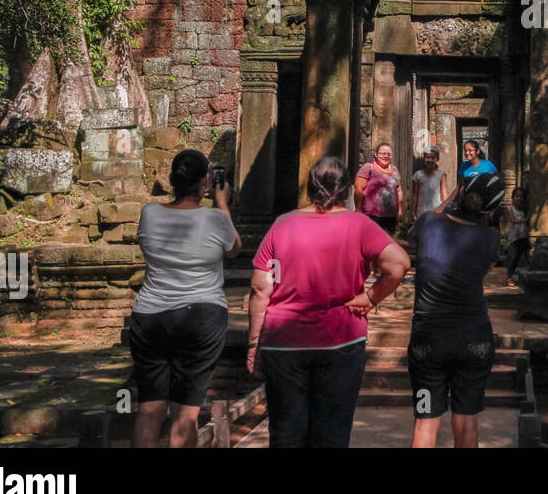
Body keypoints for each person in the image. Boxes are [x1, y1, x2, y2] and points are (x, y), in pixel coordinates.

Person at [248, 156, 410, 448]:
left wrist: (253, 345)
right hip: (341, 339)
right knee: (332, 432)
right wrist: (371, 297)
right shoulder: (360, 225)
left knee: (285, 432)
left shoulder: (283, 225)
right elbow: (398, 264)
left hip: (284, 340)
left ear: (309, 188)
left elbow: (262, 289)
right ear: (348, 190)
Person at [129, 149, 241, 448]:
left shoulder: (149, 212)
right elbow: (233, 249)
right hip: (201, 317)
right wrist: (221, 204)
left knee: (149, 409)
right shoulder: (217, 219)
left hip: (150, 315)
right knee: (185, 414)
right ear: (207, 181)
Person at [406, 170, 505, 447]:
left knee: (425, 421)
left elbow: (425, 225)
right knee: (467, 419)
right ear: (490, 210)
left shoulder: (428, 224)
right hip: (473, 338)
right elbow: (485, 269)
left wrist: (452, 196)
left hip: (428, 338)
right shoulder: (491, 239)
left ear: (460, 193)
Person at [354, 142, 403, 234]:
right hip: (372, 214)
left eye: (388, 154)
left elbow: (398, 190)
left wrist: (400, 209)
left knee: (387, 242)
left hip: (391, 215)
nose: (385, 156)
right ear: (376, 154)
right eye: (382, 153)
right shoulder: (368, 168)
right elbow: (358, 188)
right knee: (372, 241)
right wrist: (358, 208)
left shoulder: (394, 169)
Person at [410, 147, 448, 222]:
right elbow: (415, 194)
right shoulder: (418, 175)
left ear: (437, 159)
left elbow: (444, 194)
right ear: (424, 159)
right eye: (427, 157)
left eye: (433, 158)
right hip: (421, 212)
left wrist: (445, 210)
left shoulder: (441, 175)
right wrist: (413, 211)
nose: (430, 160)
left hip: (437, 211)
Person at [504, 187, 529, 287]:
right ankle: (509, 277)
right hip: (514, 237)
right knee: (512, 257)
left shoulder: (524, 209)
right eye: (516, 196)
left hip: (523, 236)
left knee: (519, 257)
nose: (519, 198)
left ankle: (517, 276)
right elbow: (513, 220)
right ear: (512, 197)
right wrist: (525, 220)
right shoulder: (510, 208)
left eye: (521, 197)